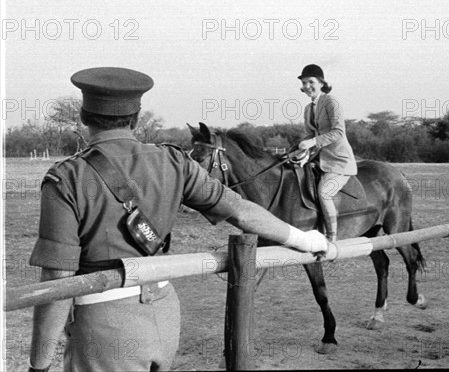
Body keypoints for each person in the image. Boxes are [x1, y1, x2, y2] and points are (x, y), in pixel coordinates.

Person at [27, 67, 328, 372]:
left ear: (83, 115)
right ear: (136, 116)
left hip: (104, 325)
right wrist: (304, 238)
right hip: (165, 314)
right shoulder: (174, 161)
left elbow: (57, 282)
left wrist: (38, 365)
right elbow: (241, 210)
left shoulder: (67, 178)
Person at [296, 64, 357, 242]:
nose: (307, 86)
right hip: (318, 159)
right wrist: (299, 150)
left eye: (311, 82)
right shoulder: (308, 108)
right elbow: (309, 134)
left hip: (339, 161)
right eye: (304, 82)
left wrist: (313, 141)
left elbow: (339, 132)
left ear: (322, 83)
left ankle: (331, 238)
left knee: (324, 192)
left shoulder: (331, 101)